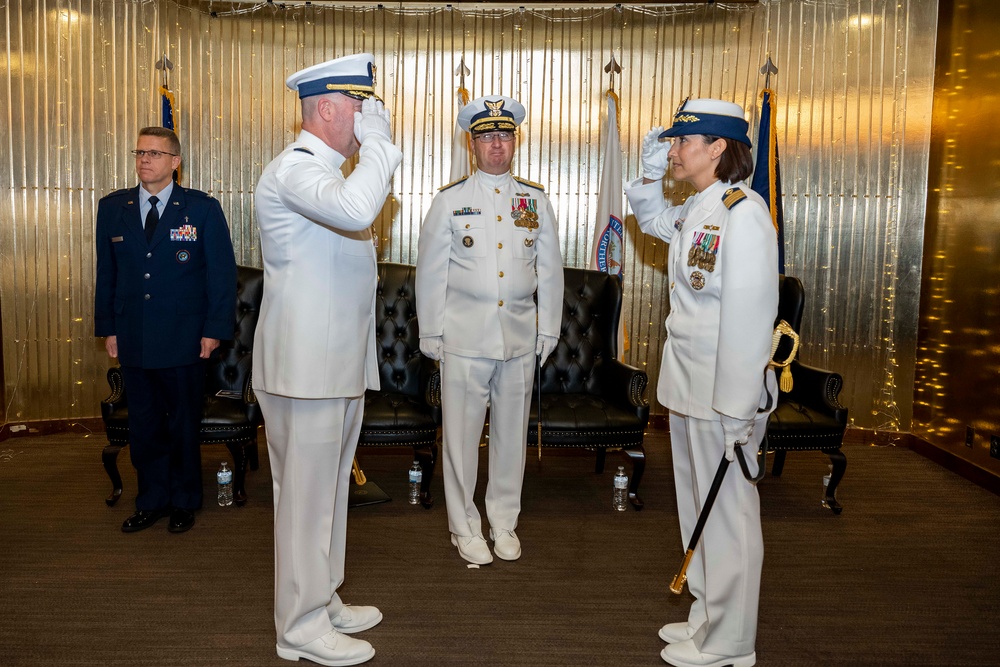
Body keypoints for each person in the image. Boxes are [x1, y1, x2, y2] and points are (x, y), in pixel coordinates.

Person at [253, 53, 401, 667]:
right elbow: (358, 211)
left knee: (329, 492)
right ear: (331, 109)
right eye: (360, 107)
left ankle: (323, 596)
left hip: (333, 366)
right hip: (305, 367)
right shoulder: (296, 170)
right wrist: (382, 146)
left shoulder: (329, 174)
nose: (367, 117)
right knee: (305, 499)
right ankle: (300, 627)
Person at [624, 98, 779, 667]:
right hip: (690, 387)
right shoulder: (699, 207)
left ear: (717, 147)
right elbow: (650, 221)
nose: (675, 151)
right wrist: (646, 175)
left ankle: (732, 641)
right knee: (697, 508)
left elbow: (749, 316)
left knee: (730, 513)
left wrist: (739, 407)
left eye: (683, 142)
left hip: (724, 392)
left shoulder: (744, 213)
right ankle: (707, 614)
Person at [415, 95, 564, 565]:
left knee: (510, 437)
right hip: (464, 338)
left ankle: (503, 519)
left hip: (519, 337)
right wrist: (431, 333)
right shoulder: (450, 201)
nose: (497, 145)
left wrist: (549, 329)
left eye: (504, 135)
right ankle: (463, 526)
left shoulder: (534, 199)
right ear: (471, 143)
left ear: (515, 140)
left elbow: (551, 269)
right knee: (459, 438)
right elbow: (431, 272)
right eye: (486, 136)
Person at [94, 126, 237, 535]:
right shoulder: (113, 207)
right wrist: (108, 326)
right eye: (140, 152)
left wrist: (214, 330)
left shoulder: (202, 209)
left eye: (155, 153)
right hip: (133, 334)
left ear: (175, 162)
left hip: (185, 337)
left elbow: (220, 276)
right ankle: (151, 500)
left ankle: (184, 500)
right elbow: (108, 273)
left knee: (182, 424)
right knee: (145, 426)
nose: (145, 160)